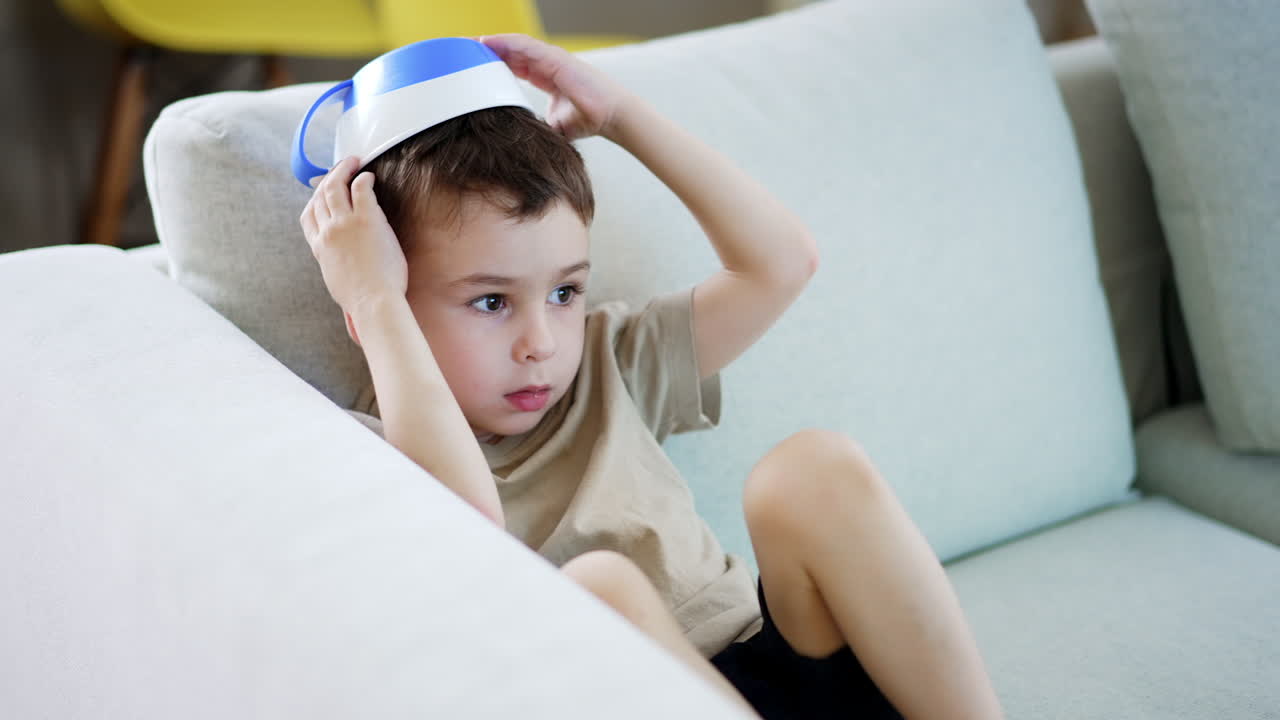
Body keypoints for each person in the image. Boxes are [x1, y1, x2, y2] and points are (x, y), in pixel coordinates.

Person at [298, 33, 1004, 720]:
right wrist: (371, 299)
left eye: (565, 292)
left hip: (779, 657)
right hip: (646, 695)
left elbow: (781, 263)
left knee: (812, 468)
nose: (540, 343)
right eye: (490, 302)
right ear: (385, 297)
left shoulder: (609, 362)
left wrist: (622, 119)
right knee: (597, 588)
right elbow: (470, 533)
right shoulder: (369, 449)